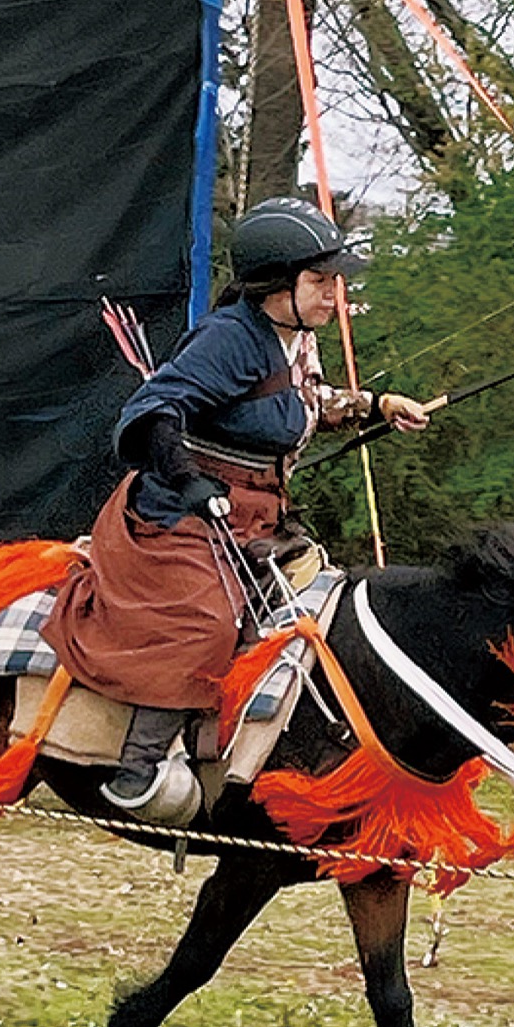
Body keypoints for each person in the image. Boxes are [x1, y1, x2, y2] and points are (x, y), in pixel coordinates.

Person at [43, 195, 428, 823]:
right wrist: (189, 481)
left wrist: (376, 406)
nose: (336, 295)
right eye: (321, 281)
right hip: (176, 516)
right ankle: (138, 770)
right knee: (206, 625)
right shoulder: (228, 338)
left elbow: (296, 405)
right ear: (277, 286)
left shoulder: (293, 338)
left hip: (255, 520)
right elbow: (152, 411)